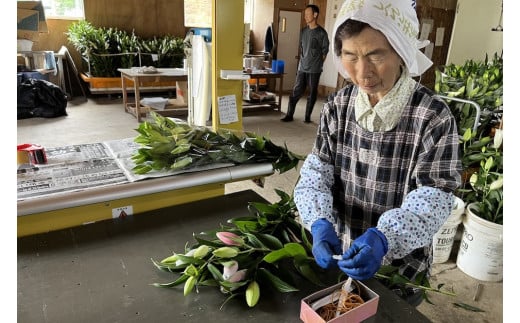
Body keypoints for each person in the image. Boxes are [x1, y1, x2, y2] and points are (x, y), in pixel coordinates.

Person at [293, 0, 462, 305]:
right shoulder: (338, 107)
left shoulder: (432, 116)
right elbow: (316, 174)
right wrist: (318, 221)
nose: (362, 73)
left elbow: (434, 197)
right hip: (342, 253)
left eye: (375, 55)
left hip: (401, 269)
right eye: (350, 56)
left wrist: (385, 238)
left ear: (401, 51)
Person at [281, 4, 329, 123]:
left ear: (315, 15)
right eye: (305, 14)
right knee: (296, 91)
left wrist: (317, 64)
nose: (306, 17)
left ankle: (307, 117)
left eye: (308, 14)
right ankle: (289, 115)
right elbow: (302, 48)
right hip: (302, 68)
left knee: (312, 93)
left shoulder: (322, 33)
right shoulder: (303, 31)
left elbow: (324, 52)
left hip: (314, 70)